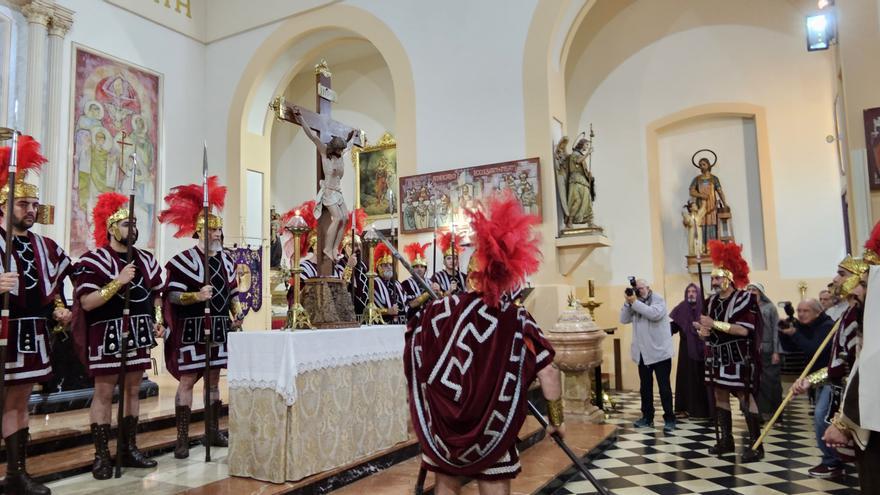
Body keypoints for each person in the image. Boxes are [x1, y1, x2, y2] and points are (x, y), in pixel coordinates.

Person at [405, 192, 561, 495]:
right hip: (493, 428)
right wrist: (557, 421)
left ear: (469, 273)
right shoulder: (515, 319)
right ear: (507, 277)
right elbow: (548, 371)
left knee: (446, 485)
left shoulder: (440, 311)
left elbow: (415, 345)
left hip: (446, 429)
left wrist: (419, 414)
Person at [0, 136, 72, 495]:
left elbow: (56, 281)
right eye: (23, 203)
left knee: (18, 402)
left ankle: (16, 474)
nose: (31, 210)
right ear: (5, 205)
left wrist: (59, 306)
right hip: (1, 330)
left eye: (34, 204)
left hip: (30, 335)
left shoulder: (44, 245)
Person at [73, 192, 162, 479]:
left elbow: (156, 293)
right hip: (106, 334)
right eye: (126, 224)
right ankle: (101, 455)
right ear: (111, 228)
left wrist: (157, 320)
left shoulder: (146, 259)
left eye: (135, 224)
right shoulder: (93, 260)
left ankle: (128, 448)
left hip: (138, 333)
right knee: (104, 393)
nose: (132, 229)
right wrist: (117, 282)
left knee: (133, 390)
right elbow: (87, 302)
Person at [158, 176, 244, 459]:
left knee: (214, 380)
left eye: (219, 231)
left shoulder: (227, 261)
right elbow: (170, 295)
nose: (217, 236)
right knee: (187, 380)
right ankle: (182, 437)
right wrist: (195, 296)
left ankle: (212, 430)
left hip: (219, 327)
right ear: (199, 233)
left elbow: (231, 292)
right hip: (192, 329)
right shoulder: (183, 262)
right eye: (211, 232)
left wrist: (238, 312)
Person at [791, 256, 866, 478]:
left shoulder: (859, 315)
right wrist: (809, 381)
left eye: (842, 274)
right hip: (840, 382)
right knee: (823, 416)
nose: (836, 279)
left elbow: (851, 365)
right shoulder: (847, 313)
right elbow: (838, 366)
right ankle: (834, 461)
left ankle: (836, 462)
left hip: (856, 388)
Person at [822, 222, 880, 493]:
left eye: (863, 283)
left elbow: (868, 366)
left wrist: (843, 422)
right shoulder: (853, 314)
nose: (852, 288)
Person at [695, 240, 763, 461]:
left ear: (730, 278)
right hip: (716, 356)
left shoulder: (746, 299)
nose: (713, 282)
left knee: (745, 396)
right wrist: (703, 332)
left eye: (717, 277)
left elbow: (744, 331)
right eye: (712, 278)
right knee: (719, 394)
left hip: (739, 356)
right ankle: (726, 440)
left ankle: (756, 444)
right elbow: (708, 330)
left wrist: (713, 324)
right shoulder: (711, 301)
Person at [292, 107, 358, 263]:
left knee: (345, 219)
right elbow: (313, 137)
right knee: (337, 218)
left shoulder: (341, 154)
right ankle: (327, 247)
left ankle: (335, 248)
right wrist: (301, 118)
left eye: (343, 150)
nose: (342, 152)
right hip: (329, 191)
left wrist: (355, 135)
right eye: (339, 150)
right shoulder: (325, 153)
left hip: (338, 191)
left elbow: (350, 144)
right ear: (334, 148)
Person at [620, 278, 676, 432]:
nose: (639, 292)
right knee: (645, 387)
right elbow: (623, 319)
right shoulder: (634, 302)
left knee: (664, 387)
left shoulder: (658, 299)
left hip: (660, 353)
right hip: (643, 353)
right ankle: (647, 417)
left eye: (641, 289)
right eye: (636, 289)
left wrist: (635, 303)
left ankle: (670, 418)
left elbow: (654, 314)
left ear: (648, 288)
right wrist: (628, 302)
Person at [670, 283, 711, 419]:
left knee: (702, 380)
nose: (691, 294)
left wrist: (701, 326)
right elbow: (672, 327)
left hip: (703, 349)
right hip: (686, 351)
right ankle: (685, 409)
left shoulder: (706, 307)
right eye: (689, 291)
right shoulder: (681, 308)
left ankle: (704, 411)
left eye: (694, 291)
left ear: (698, 293)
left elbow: (713, 325)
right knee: (686, 379)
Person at [747, 283, 783, 421]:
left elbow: (775, 329)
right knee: (755, 383)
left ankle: (774, 413)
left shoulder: (770, 308)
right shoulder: (746, 309)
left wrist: (776, 351)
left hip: (768, 350)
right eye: (748, 289)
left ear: (760, 292)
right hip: (752, 351)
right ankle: (758, 413)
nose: (751, 291)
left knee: (770, 383)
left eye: (754, 289)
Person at [367, 243, 406, 324]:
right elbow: (370, 309)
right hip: (383, 324)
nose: (389, 267)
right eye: (385, 265)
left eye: (390, 265)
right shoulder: (374, 283)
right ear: (379, 267)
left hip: (401, 323)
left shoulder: (397, 283)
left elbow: (406, 304)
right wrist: (387, 311)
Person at [400, 242, 440, 320]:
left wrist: (439, 292)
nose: (419, 269)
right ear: (412, 269)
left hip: (430, 319)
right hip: (414, 320)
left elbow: (439, 301)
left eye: (422, 267)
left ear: (425, 269)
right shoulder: (406, 284)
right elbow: (412, 304)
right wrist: (429, 292)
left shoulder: (431, 282)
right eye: (416, 266)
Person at [431, 231, 466, 296]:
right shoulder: (436, 277)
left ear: (457, 261)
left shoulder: (463, 276)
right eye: (449, 258)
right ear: (444, 261)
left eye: (454, 258)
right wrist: (449, 291)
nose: (452, 261)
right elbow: (437, 298)